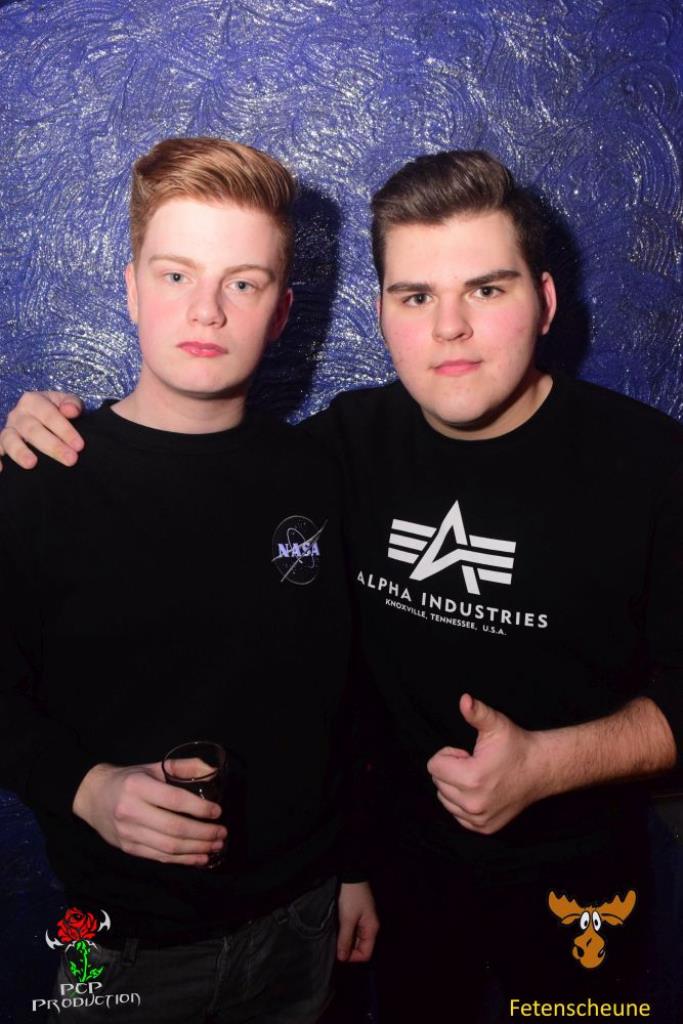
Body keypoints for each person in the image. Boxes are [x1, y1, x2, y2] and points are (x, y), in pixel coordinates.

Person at [4, 150, 682, 1020]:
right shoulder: (343, 448)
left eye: (486, 289)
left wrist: (549, 765)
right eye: (415, 296)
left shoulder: (649, 466)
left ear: (545, 302)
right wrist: (31, 436)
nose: (449, 328)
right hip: (356, 898)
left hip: (563, 895)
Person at [0, 136, 378, 1024]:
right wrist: (87, 787)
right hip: (115, 942)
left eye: (243, 283)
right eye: (176, 275)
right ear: (132, 288)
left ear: (281, 313)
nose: (206, 310)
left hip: (303, 924)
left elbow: (350, 693)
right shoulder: (39, 475)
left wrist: (355, 865)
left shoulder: (322, 473)